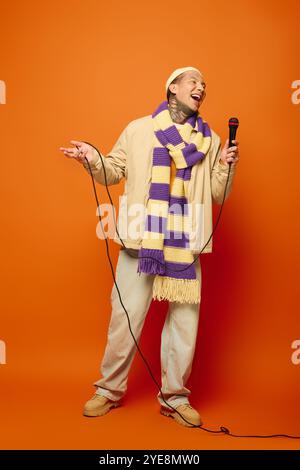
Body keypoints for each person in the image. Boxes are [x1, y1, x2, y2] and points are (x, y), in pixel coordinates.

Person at [59, 66, 240, 427]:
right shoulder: (139, 129)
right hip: (141, 240)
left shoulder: (212, 140)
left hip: (185, 241)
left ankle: (174, 397)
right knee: (124, 319)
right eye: (193, 81)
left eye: (204, 85)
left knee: (184, 325)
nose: (201, 87)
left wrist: (225, 167)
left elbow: (217, 193)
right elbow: (112, 171)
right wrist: (92, 158)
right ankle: (108, 390)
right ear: (172, 87)